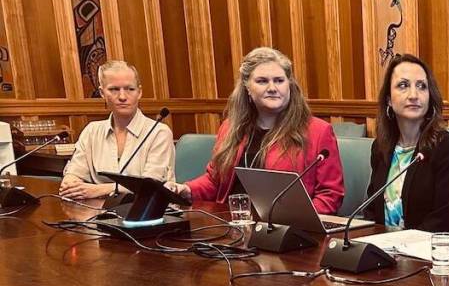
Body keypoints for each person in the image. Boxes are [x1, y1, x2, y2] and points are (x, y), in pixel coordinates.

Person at [165, 47, 343, 214]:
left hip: (285, 231)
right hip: (232, 224)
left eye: (279, 81)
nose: (272, 88)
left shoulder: (318, 131)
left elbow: (330, 195)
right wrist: (186, 190)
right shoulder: (230, 128)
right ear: (247, 87)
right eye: (262, 81)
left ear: (289, 84)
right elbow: (215, 181)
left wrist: (299, 219)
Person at [367, 53, 449, 232]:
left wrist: (401, 245)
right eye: (403, 85)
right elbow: (372, 209)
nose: (414, 95)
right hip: (384, 251)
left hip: (430, 251)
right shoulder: (381, 148)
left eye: (421, 86)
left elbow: (445, 219)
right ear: (388, 99)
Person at [59, 60, 174, 199]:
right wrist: (71, 184)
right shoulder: (91, 131)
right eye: (114, 89)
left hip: (146, 213)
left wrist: (98, 190)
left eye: (130, 89)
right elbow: (74, 174)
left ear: (139, 92)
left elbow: (150, 185)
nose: (122, 97)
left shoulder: (159, 132)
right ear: (102, 93)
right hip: (98, 212)